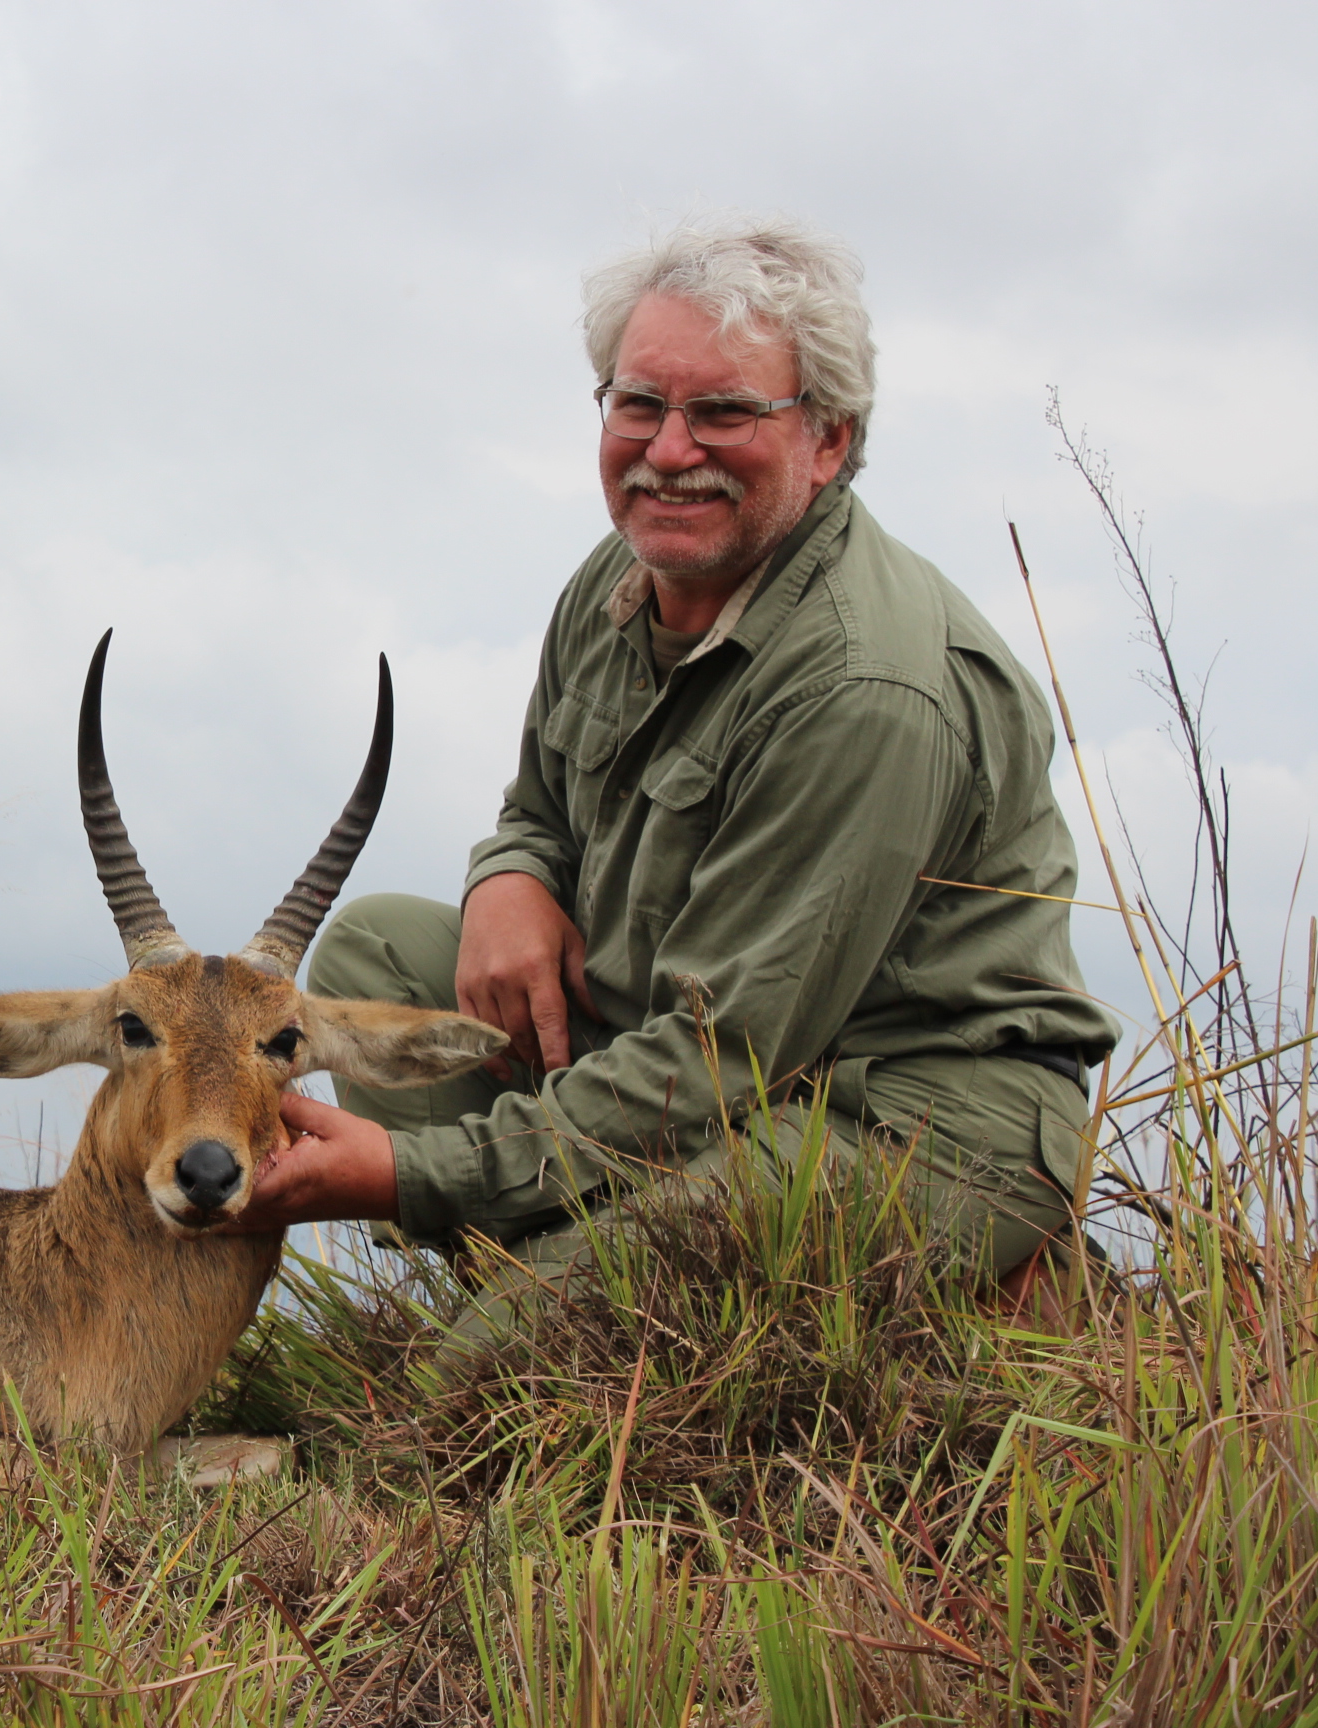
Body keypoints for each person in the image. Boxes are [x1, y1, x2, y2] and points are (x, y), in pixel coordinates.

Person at [236, 218, 1116, 1310]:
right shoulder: (623, 573)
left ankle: (977, 1290)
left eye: (724, 412)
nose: (668, 450)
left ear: (829, 439)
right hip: (683, 1043)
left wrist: (413, 1176)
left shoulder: (864, 688)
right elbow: (539, 808)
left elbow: (723, 1054)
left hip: (891, 1114)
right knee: (384, 950)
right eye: (639, 403)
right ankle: (564, 1276)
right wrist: (509, 874)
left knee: (493, 1383)